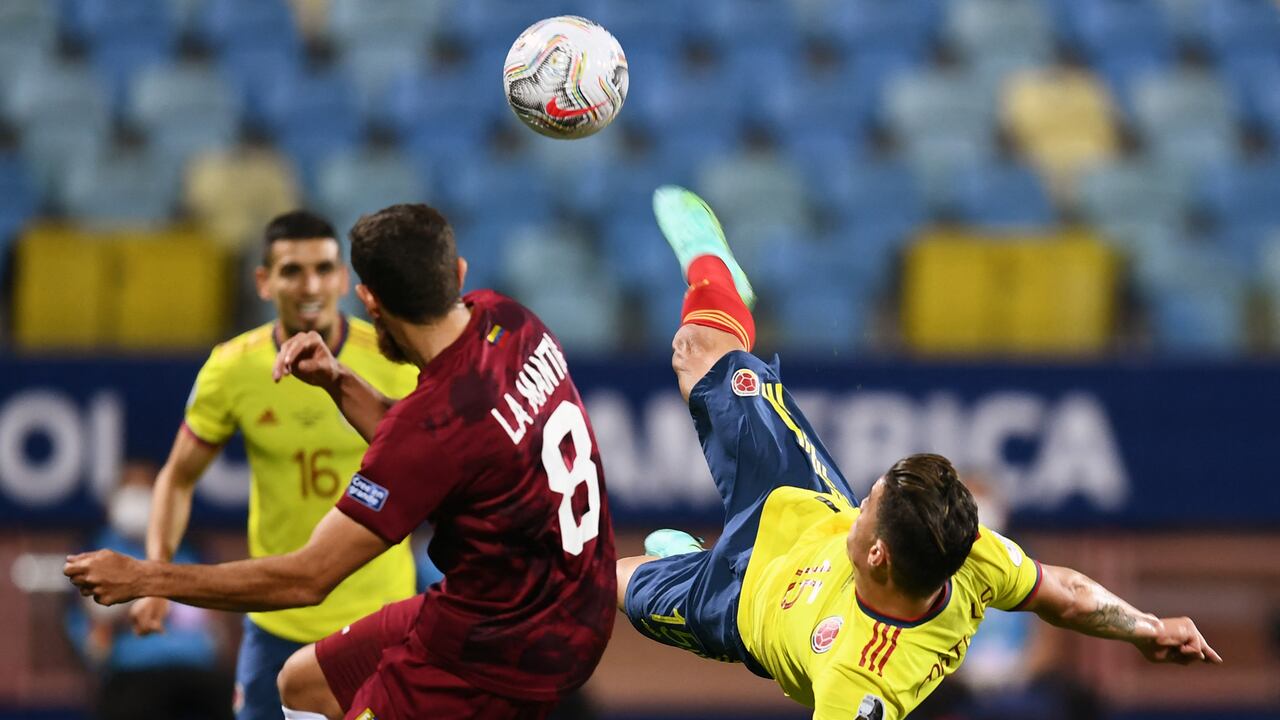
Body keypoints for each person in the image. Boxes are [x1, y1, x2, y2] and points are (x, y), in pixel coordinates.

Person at [611, 187, 1221, 719]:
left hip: (737, 607)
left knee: (596, 581)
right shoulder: (972, 552)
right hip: (797, 502)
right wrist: (1148, 628)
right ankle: (718, 272)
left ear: (876, 553)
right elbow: (1066, 593)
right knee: (698, 351)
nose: (866, 496)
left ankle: (690, 564)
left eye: (870, 501)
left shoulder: (861, 680)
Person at [66, 202, 617, 720]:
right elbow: (441, 453)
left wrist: (145, 576)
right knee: (300, 682)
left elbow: (307, 579)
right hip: (535, 594)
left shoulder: (427, 427)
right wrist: (338, 380)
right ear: (460, 273)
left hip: (510, 642)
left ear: (368, 300)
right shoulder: (511, 319)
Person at [129, 210, 421, 720]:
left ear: (343, 279)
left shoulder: (392, 357)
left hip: (381, 621)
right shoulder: (233, 368)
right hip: (277, 623)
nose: (310, 284)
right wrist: (155, 574)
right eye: (291, 270)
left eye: (324, 268)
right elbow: (176, 478)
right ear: (264, 282)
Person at [64, 461, 232, 720]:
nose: (137, 502)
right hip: (134, 672)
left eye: (145, 491)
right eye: (130, 491)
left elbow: (216, 623)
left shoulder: (188, 547)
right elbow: (91, 640)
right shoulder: (94, 553)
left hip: (197, 670)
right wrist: (113, 620)